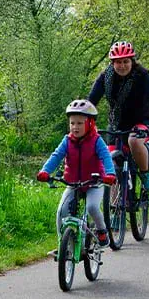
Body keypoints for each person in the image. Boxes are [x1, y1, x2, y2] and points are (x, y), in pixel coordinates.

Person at [36, 99, 117, 248]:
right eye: (72, 123)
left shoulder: (96, 141)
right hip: (72, 183)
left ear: (90, 124)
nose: (75, 127)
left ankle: (102, 230)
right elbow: (56, 156)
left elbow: (106, 157)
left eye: (80, 123)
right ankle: (63, 247)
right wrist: (45, 171)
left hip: (94, 183)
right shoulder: (67, 141)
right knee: (61, 212)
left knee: (92, 207)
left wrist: (110, 174)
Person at [87, 40, 149, 192]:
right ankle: (114, 205)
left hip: (143, 121)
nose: (122, 66)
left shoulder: (143, 76)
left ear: (132, 61)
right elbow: (91, 102)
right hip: (117, 124)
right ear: (112, 63)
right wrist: (83, 121)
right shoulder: (105, 77)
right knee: (110, 161)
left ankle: (145, 175)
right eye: (118, 62)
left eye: (125, 61)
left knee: (134, 141)